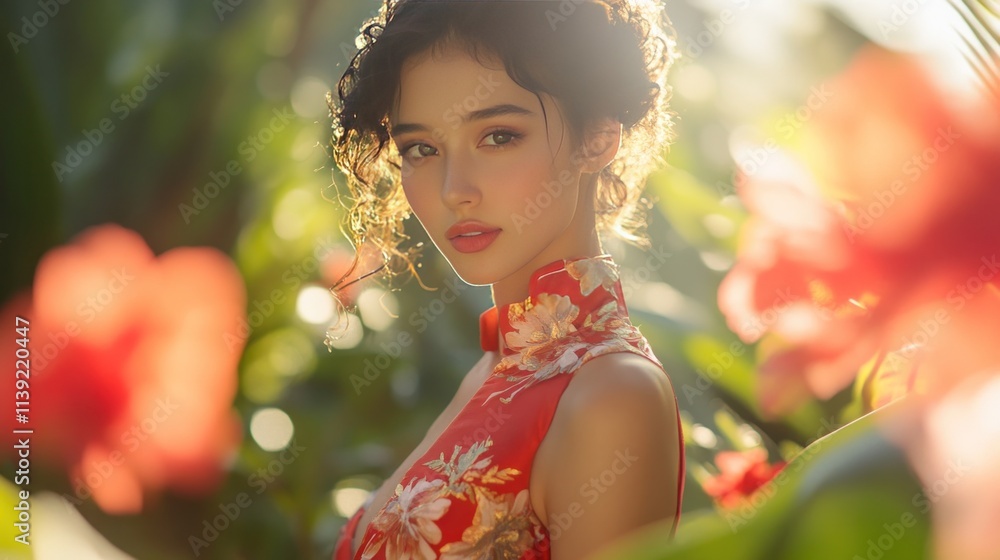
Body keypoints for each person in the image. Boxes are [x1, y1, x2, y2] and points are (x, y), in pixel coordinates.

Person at [327, 0, 684, 558]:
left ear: (597, 138)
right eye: (422, 148)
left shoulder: (612, 397)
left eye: (497, 136)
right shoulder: (501, 361)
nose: (453, 189)